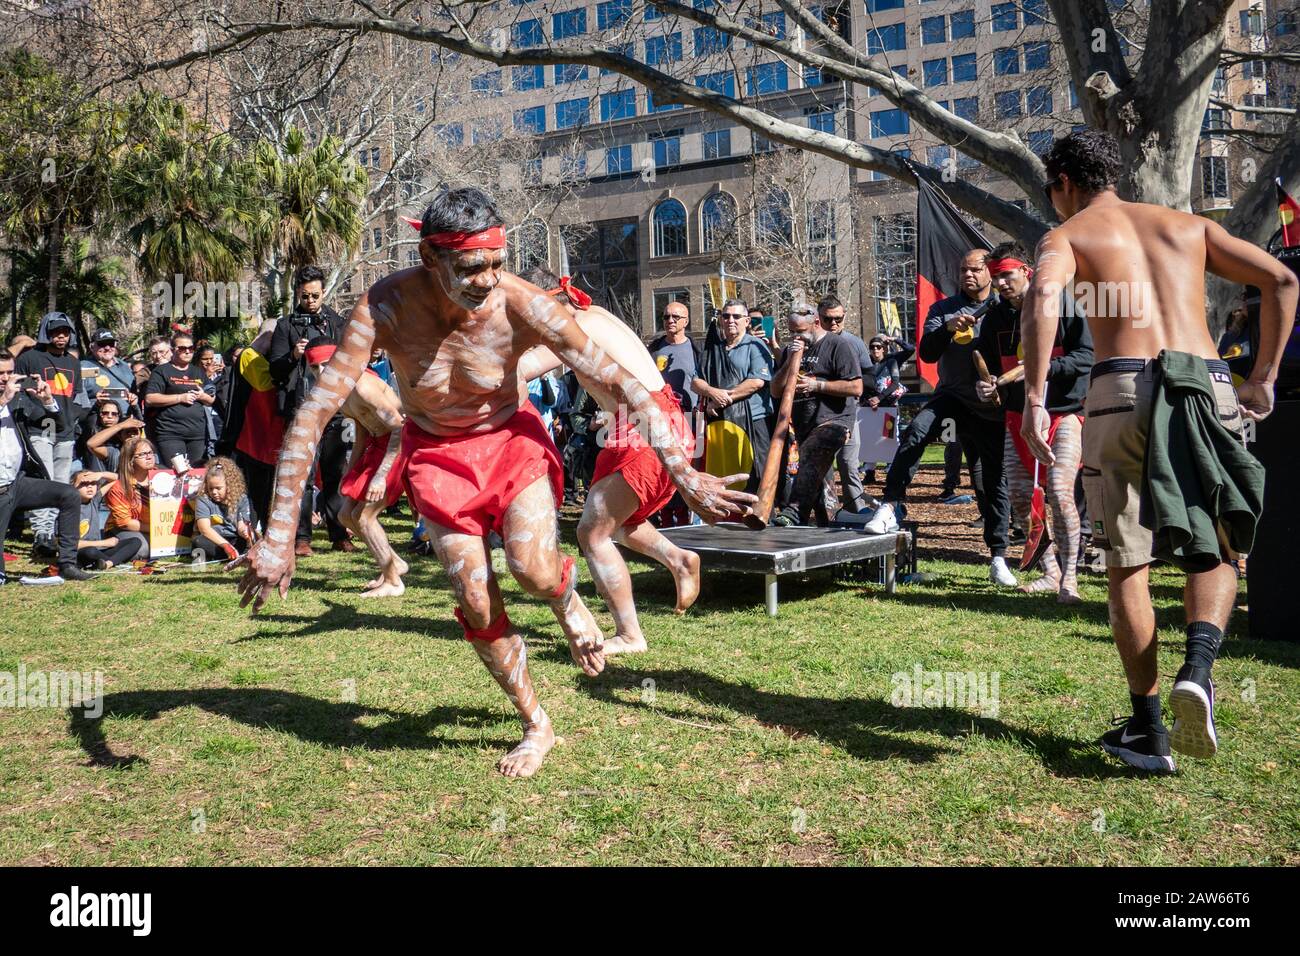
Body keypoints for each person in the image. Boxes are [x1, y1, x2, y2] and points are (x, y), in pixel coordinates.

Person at [234, 187, 753, 779]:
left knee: (532, 570)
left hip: (513, 443)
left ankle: (562, 593)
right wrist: (278, 533)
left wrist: (684, 474)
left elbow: (631, 385)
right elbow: (313, 412)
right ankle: (537, 724)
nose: (486, 280)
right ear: (431, 259)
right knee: (476, 600)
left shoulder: (525, 303)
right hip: (437, 455)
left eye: (496, 264)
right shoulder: (385, 306)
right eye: (471, 267)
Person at [1022, 129, 1294, 772]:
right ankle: (1197, 668)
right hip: (1205, 383)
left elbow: (1041, 297)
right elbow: (1282, 279)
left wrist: (1035, 396)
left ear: (1063, 183)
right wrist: (1264, 376)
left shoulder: (1067, 236)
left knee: (1127, 558)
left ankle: (1148, 730)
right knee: (1219, 540)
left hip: (1121, 385)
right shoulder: (1188, 225)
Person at [520, 268, 708, 655]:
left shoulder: (574, 325)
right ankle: (678, 558)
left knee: (592, 533)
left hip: (648, 426)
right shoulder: (593, 313)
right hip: (643, 423)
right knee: (618, 522)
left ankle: (630, 634)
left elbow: (521, 369)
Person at [866, 249, 1017, 586]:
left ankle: (998, 557)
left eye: (975, 269)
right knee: (916, 431)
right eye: (963, 269)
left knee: (991, 483)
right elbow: (928, 352)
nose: (968, 275)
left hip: (990, 405)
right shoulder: (943, 309)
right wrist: (947, 328)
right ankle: (890, 506)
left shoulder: (1004, 309)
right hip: (951, 396)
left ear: (989, 273)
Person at [975, 242, 1093, 604]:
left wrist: (1039, 371)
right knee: (1021, 498)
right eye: (995, 278)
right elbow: (992, 370)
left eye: (1006, 275)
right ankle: (1049, 573)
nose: (1000, 284)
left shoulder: (1061, 303)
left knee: (1059, 491)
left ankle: (1069, 580)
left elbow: (1086, 356)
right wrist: (988, 388)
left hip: (1066, 412)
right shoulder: (994, 318)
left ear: (1025, 270)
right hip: (1016, 419)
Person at [304, 339, 410, 597]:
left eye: (326, 365)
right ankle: (393, 564)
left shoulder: (362, 387)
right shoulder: (338, 391)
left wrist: (381, 477)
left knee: (365, 516)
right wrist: (351, 472)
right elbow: (362, 429)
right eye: (315, 368)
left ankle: (393, 581)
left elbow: (399, 427)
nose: (321, 373)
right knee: (344, 515)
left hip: (400, 445)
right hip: (376, 444)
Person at [269, 264, 354, 556]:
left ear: (323, 292)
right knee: (302, 477)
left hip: (334, 409)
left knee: (335, 474)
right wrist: (294, 354)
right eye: (305, 296)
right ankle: (302, 538)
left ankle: (339, 533)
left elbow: (351, 361)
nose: (311, 301)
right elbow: (275, 369)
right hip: (301, 408)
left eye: (315, 295)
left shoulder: (336, 322)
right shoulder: (286, 325)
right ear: (297, 294)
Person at [0, 349, 93, 582]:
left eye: (10, 372)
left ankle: (68, 564)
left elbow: (57, 426)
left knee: (69, 495)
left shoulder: (18, 400)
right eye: (0, 373)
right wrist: (3, 401)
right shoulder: (8, 399)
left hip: (15, 484)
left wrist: (48, 402)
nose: (6, 378)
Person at [769, 303, 863, 526]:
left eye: (800, 331)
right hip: (805, 425)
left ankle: (794, 513)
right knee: (821, 484)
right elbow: (775, 390)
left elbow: (856, 387)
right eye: (791, 331)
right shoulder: (790, 350)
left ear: (816, 324)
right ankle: (828, 528)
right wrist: (789, 362)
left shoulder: (837, 345)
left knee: (814, 449)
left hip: (835, 421)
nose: (795, 336)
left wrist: (817, 385)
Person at [14, 312, 82, 561]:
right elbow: (17, 391)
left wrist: (73, 420)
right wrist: (32, 413)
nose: (61, 336)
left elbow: (79, 398)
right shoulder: (30, 358)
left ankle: (53, 533)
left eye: (65, 332)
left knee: (62, 485)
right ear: (46, 332)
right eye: (55, 332)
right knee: (44, 481)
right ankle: (41, 535)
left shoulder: (74, 362)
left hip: (65, 431)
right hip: (38, 428)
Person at [694, 299, 775, 495]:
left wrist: (720, 400)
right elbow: (696, 382)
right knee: (725, 474)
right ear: (720, 319)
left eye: (737, 316)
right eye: (726, 316)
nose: (731, 320)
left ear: (747, 321)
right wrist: (711, 392)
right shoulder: (713, 349)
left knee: (757, 472)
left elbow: (756, 382)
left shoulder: (756, 346)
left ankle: (762, 517)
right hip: (721, 422)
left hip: (754, 420)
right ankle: (728, 519)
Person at [216, 320, 284, 535]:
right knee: (257, 491)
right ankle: (253, 531)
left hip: (272, 432)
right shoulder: (249, 355)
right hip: (254, 434)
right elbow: (265, 382)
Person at [816, 295, 870, 514]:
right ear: (818, 319)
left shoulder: (853, 342)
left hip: (848, 412)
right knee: (823, 467)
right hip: (818, 414)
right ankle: (828, 513)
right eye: (828, 319)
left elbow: (869, 376)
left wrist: (848, 386)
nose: (834, 324)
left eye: (838, 318)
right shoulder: (813, 343)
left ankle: (856, 510)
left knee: (848, 464)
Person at [145, 332, 212, 468]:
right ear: (172, 350)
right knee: (178, 471)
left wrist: (202, 396)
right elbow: (150, 398)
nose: (187, 351)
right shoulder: (162, 371)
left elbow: (210, 399)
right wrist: (180, 398)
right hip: (171, 433)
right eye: (182, 348)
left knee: (195, 474)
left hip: (197, 434)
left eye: (191, 348)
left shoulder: (198, 372)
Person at [73, 469, 146, 569]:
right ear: (72, 487)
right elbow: (68, 544)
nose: (89, 486)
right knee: (90, 552)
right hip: (80, 553)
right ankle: (112, 561)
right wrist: (104, 543)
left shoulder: (94, 500)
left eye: (93, 483)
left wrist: (101, 474)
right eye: (84, 484)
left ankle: (107, 564)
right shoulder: (69, 509)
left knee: (135, 541)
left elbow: (117, 479)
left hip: (98, 550)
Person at [103, 434, 158, 563]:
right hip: (123, 529)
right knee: (142, 549)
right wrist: (158, 530)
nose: (149, 456)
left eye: (150, 452)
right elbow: (125, 523)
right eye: (143, 454)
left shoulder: (163, 477)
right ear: (130, 460)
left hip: (156, 528)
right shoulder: (119, 487)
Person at [192, 457, 253, 563]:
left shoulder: (241, 498)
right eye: (211, 488)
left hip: (234, 537)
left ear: (229, 486)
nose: (214, 492)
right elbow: (204, 529)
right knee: (198, 542)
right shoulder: (203, 499)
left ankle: (229, 556)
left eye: (218, 488)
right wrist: (225, 545)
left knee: (254, 540)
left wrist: (244, 532)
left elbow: (241, 524)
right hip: (215, 539)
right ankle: (229, 556)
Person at [81, 327, 140, 417]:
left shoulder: (125, 366)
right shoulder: (83, 367)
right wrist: (96, 404)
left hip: (125, 422)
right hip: (98, 424)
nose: (107, 348)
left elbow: (134, 392)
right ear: (92, 347)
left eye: (111, 344)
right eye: (102, 344)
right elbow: (78, 400)